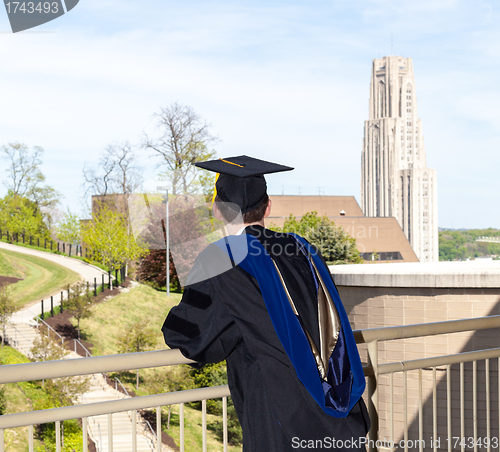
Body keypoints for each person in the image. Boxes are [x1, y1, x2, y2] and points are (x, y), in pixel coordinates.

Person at [162, 156, 370, 451]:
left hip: (280, 417)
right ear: (268, 206)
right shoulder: (301, 249)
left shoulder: (223, 258)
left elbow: (194, 340)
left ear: (218, 210)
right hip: (339, 416)